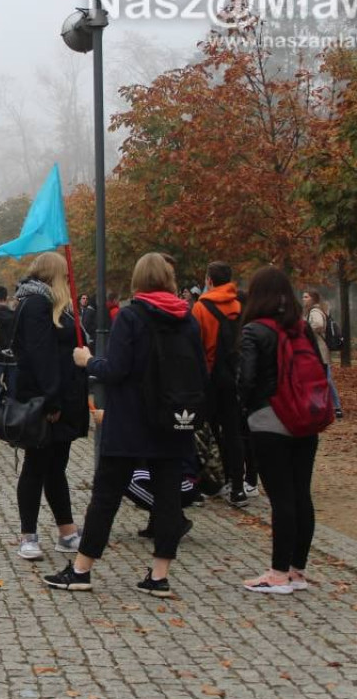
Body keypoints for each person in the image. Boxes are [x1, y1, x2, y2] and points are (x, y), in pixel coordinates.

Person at [44, 253, 204, 597]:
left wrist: (88, 361)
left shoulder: (132, 317)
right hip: (174, 419)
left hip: (130, 419)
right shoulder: (188, 319)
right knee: (167, 500)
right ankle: (159, 575)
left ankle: (81, 569)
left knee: (105, 497)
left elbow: (116, 369)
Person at [239, 268, 325, 594]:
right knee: (301, 493)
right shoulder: (301, 328)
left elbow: (245, 379)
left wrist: (244, 410)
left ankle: (277, 574)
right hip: (305, 418)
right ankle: (297, 571)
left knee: (281, 498)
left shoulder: (254, 331)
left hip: (269, 420)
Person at [11, 253, 90, 560]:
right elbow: (40, 356)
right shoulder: (36, 305)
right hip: (47, 399)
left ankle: (67, 531)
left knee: (56, 467)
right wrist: (51, 400)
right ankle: (28, 534)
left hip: (63, 394)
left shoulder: (51, 306)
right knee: (36, 466)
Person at [191, 261, 247, 506]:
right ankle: (237, 487)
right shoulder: (239, 305)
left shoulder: (201, 307)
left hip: (209, 377)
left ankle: (206, 483)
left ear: (209, 280)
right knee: (233, 431)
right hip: (232, 377)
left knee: (203, 431)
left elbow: (197, 345)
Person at [303, 290, 344, 420]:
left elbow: (318, 325)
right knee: (326, 380)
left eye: (306, 297)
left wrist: (306, 329)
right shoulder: (318, 310)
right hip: (321, 352)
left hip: (319, 351)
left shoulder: (314, 312)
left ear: (313, 299)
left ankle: (330, 408)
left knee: (324, 380)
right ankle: (334, 408)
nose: (303, 299)